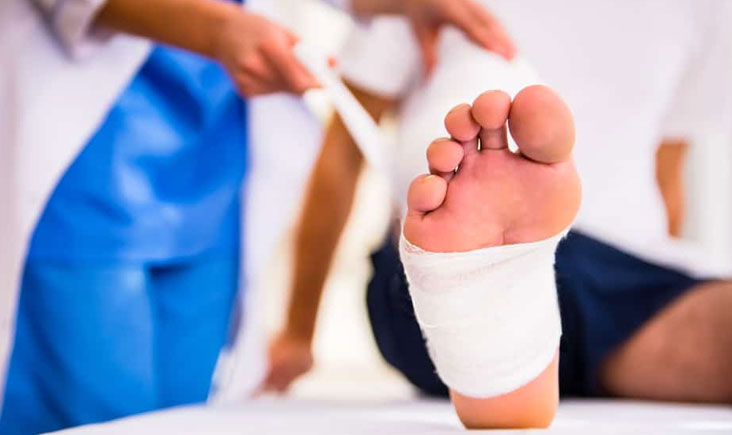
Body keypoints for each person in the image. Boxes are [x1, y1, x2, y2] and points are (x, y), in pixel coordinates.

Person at [0, 0, 516, 433]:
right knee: (97, 413)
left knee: (185, 413)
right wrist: (217, 29)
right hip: (80, 167)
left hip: (214, 161)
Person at [266, 0, 732, 418]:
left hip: (631, 271)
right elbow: (342, 160)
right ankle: (490, 284)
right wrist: (298, 330)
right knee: (464, 259)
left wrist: (296, 334)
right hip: (448, 249)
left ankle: (500, 335)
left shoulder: (705, 10)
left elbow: (666, 173)